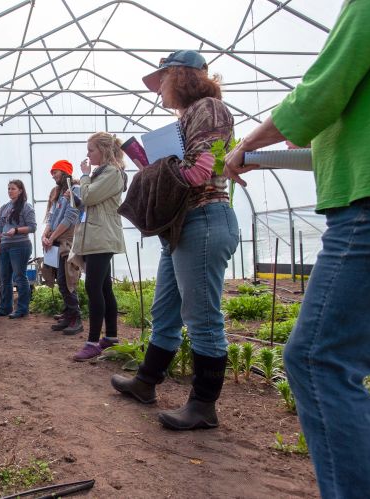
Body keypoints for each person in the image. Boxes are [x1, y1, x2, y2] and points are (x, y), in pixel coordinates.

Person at [223, 2, 370, 495]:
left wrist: (247, 144)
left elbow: (321, 94)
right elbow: (343, 141)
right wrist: (266, 156)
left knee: (320, 359)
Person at [111, 50, 239, 431]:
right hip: (183, 226)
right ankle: (146, 383)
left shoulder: (210, 109)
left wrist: (160, 171)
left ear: (180, 76)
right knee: (165, 311)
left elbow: (204, 169)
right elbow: (187, 167)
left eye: (162, 82)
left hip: (204, 220)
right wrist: (155, 169)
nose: (159, 92)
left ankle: (203, 405)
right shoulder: (190, 117)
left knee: (202, 319)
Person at [69, 133, 127, 361]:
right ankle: (111, 337)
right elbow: (85, 199)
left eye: (91, 149)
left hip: (102, 238)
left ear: (104, 150)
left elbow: (90, 196)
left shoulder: (112, 172)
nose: (88, 154)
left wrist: (83, 178)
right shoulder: (101, 173)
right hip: (95, 237)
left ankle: (93, 341)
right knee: (104, 288)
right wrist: (78, 188)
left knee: (93, 288)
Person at [41, 160, 83, 335]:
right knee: (61, 280)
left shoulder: (75, 190)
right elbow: (52, 218)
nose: (53, 175)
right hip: (57, 241)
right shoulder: (59, 194)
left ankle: (76, 319)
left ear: (65, 171)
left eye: (55, 172)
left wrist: (52, 237)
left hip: (68, 241)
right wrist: (45, 235)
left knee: (68, 280)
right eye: (52, 173)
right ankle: (68, 314)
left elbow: (70, 218)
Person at [0, 180, 37, 319]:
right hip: (5, 246)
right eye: (8, 188)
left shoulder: (26, 207)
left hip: (20, 246)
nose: (10, 191)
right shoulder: (5, 207)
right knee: (4, 278)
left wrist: (16, 230)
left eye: (13, 188)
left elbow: (32, 227)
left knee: (19, 277)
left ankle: (22, 309)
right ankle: (5, 307)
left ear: (20, 190)